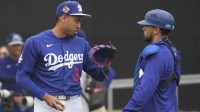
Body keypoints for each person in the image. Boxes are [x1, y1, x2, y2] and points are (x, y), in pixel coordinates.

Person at [16, 1, 112, 112]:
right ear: (63, 17)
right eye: (76, 20)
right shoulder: (35, 42)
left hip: (75, 102)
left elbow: (98, 76)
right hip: (46, 104)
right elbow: (21, 77)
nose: (79, 25)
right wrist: (44, 96)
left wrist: (105, 66)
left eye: (80, 21)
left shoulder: (82, 44)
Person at [123, 9, 181, 112]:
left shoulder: (157, 54)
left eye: (147, 25)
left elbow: (145, 90)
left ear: (156, 30)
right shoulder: (172, 51)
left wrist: (128, 110)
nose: (143, 28)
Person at [77, 29, 116, 112]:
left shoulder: (86, 57)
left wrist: (98, 90)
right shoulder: (86, 57)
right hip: (87, 104)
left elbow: (110, 73)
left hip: (91, 105)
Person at [0, 32, 34, 112]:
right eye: (14, 45)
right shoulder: (2, 62)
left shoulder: (29, 62)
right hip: (6, 104)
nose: (17, 47)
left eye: (19, 45)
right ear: (8, 46)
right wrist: (12, 96)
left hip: (26, 102)